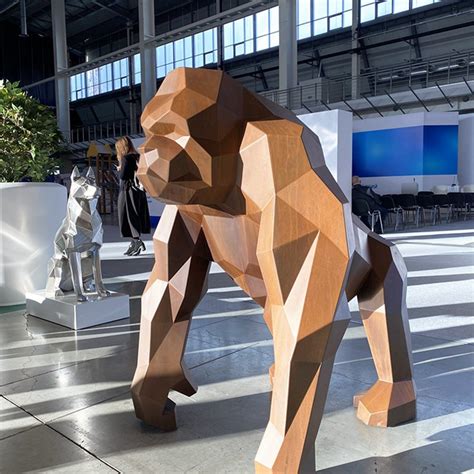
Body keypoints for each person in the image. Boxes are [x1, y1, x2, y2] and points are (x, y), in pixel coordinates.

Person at [116, 136, 151, 256]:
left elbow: (123, 176)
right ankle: (134, 242)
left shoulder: (126, 158)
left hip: (128, 191)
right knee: (135, 215)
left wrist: (120, 168)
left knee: (128, 216)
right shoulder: (137, 157)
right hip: (138, 191)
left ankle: (137, 241)